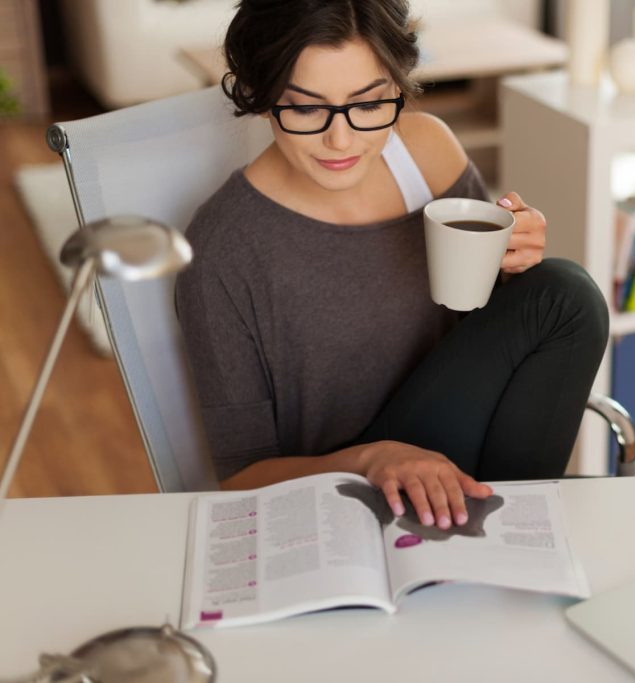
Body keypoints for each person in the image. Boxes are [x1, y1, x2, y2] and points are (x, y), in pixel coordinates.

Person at [174, 0, 608, 532]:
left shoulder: (425, 155)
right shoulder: (223, 249)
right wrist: (372, 459)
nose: (342, 139)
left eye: (370, 102)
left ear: (398, 87)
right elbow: (241, 480)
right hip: (347, 494)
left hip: (463, 460)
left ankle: (499, 533)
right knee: (564, 296)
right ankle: (505, 534)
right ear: (263, 98)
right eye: (307, 108)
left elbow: (485, 329)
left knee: (563, 294)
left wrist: (514, 261)